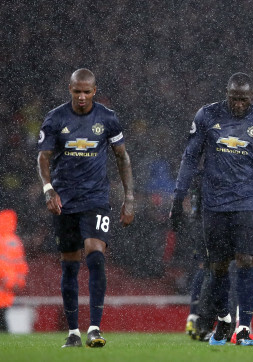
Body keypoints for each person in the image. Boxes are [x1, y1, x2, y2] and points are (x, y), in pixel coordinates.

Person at [170, 73, 253, 347]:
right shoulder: (207, 116)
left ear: (251, 97)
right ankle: (224, 318)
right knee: (217, 267)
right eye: (234, 98)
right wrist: (178, 196)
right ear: (227, 93)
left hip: (248, 204)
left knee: (246, 261)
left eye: (244, 99)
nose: (239, 104)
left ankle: (243, 327)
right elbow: (190, 157)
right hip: (214, 205)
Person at [36, 68, 135, 348]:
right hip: (64, 201)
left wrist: (129, 197)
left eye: (86, 91)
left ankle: (94, 327)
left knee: (95, 256)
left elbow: (122, 157)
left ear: (94, 90)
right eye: (77, 91)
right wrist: (48, 189)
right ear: (70, 89)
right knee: (69, 266)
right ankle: (73, 333)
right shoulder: (56, 118)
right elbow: (43, 157)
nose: (81, 97)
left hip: (96, 199)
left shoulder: (107, 118)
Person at [0, 209, 28, 332]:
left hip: (5, 283)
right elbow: (20, 264)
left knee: (2, 313)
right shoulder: (16, 241)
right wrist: (19, 280)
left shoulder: (4, 240)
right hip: (9, 284)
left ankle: (4, 332)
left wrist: (4, 277)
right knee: (3, 312)